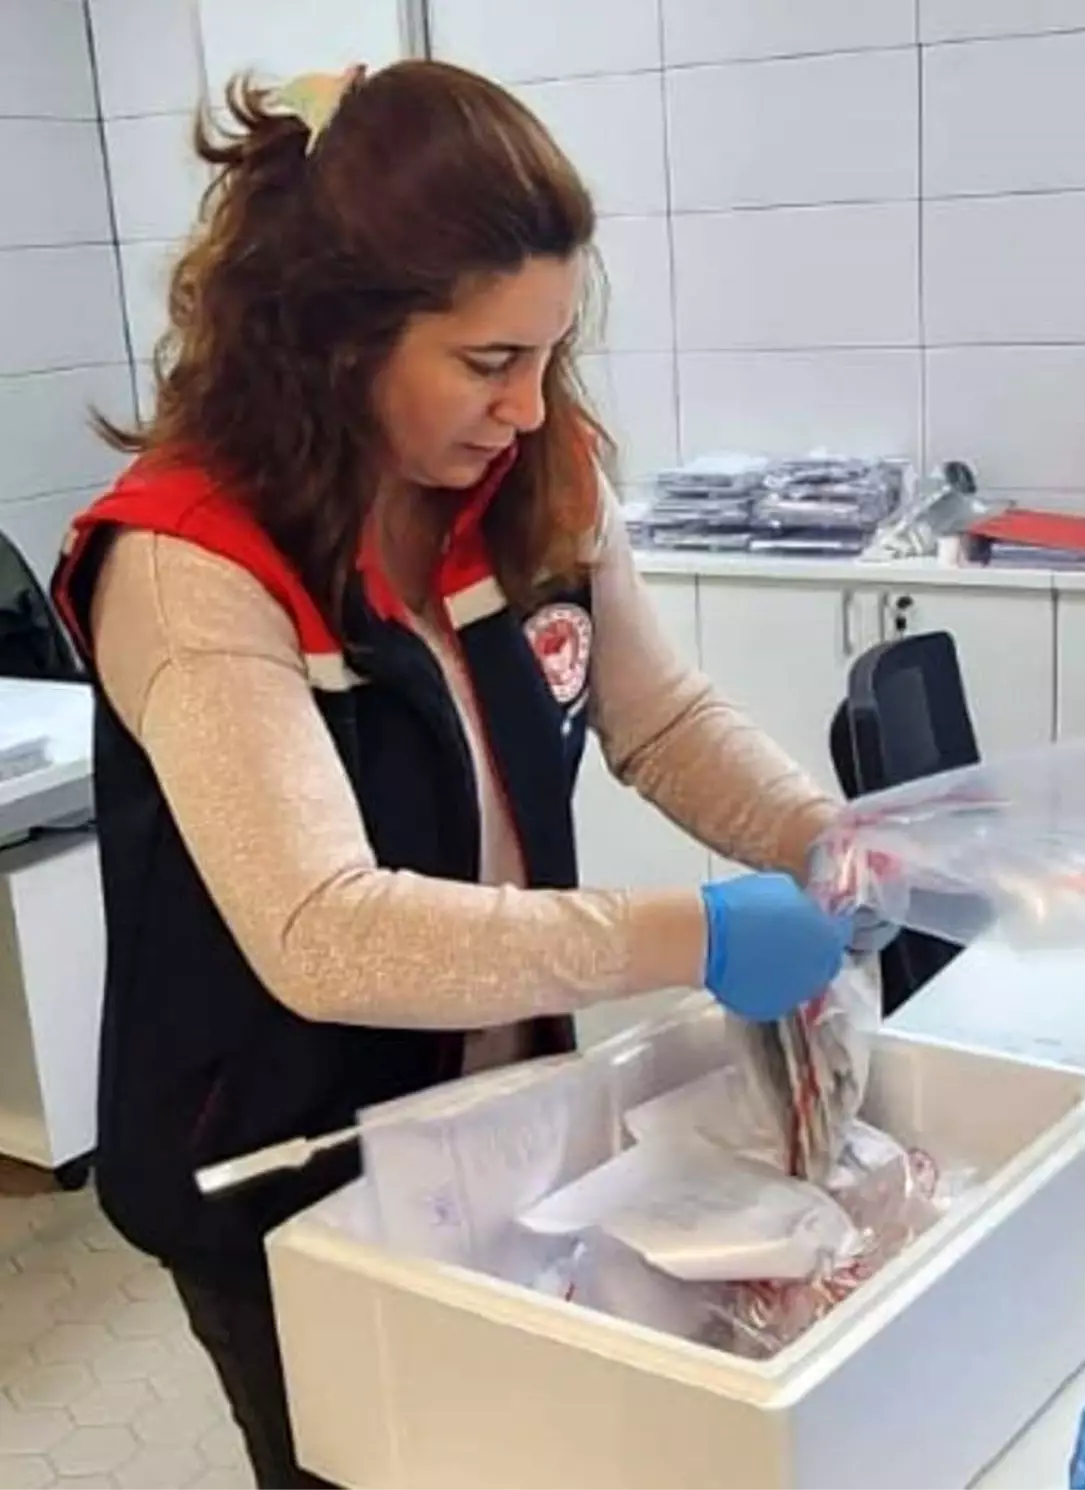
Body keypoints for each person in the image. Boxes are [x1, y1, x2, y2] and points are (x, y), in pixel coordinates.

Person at [52, 60, 879, 1490]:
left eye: (550, 352)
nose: (530, 406)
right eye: (489, 361)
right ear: (329, 337)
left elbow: (659, 718)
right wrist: (693, 932)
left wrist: (813, 830)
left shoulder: (530, 481)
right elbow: (326, 930)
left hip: (500, 1115)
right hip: (281, 1161)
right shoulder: (191, 561)